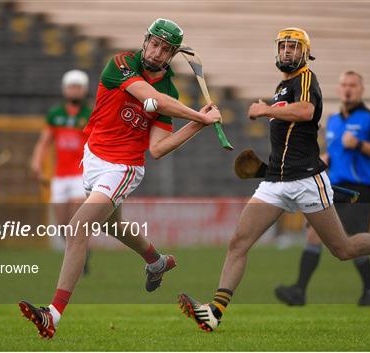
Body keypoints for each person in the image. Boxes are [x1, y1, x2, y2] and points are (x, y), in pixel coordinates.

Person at [177, 28, 370, 332]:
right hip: (276, 184)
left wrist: (265, 110)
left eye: (294, 47)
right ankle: (214, 312)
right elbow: (287, 144)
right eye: (283, 46)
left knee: (343, 249)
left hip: (308, 182)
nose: (287, 52)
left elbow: (307, 111)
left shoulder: (306, 79)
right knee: (238, 242)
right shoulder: (281, 88)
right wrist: (264, 170)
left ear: (305, 53)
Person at [19, 18, 221, 339]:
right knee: (112, 225)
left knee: (78, 228)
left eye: (166, 49)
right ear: (145, 41)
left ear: (172, 55)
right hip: (94, 156)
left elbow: (157, 148)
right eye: (154, 43)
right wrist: (199, 115)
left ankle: (52, 315)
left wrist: (199, 125)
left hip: (123, 167)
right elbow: (148, 95)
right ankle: (156, 261)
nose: (157, 52)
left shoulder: (169, 88)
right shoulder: (122, 63)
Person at [275, 71, 370, 306]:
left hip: (360, 188)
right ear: (339, 90)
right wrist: (326, 158)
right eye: (344, 85)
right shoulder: (333, 121)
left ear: (361, 90)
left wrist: (359, 144)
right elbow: (334, 152)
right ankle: (299, 290)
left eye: (353, 85)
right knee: (314, 233)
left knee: (352, 240)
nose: (348, 89)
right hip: (334, 186)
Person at [31, 69, 92, 273]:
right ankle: (80, 252)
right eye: (71, 86)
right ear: (65, 90)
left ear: (84, 90)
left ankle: (79, 260)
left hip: (80, 175)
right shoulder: (55, 115)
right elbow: (44, 142)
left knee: (76, 221)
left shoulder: (91, 114)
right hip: (60, 176)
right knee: (61, 224)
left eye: (78, 87)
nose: (74, 90)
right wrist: (37, 164)